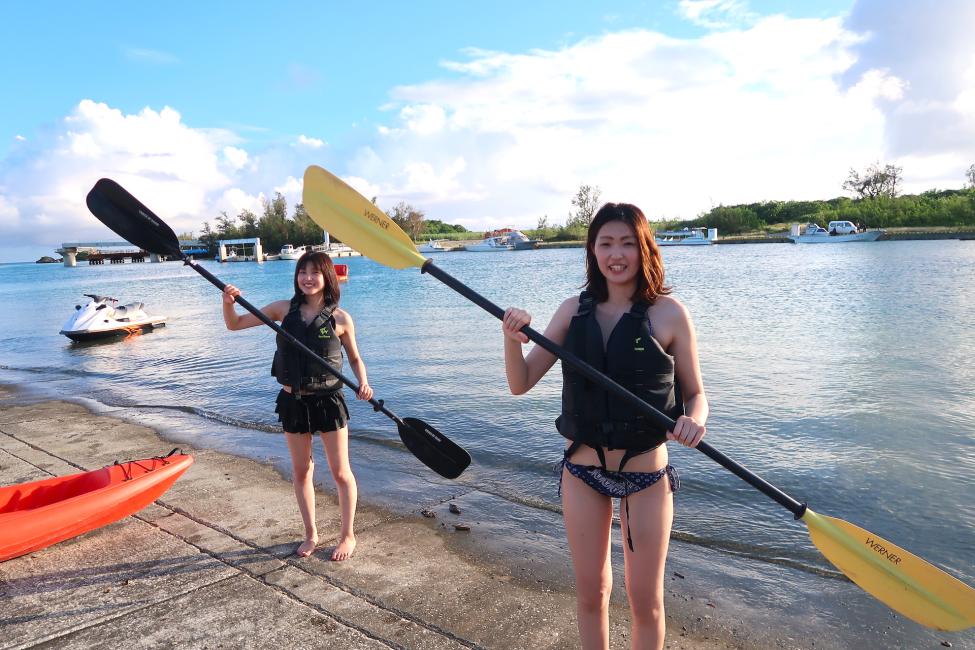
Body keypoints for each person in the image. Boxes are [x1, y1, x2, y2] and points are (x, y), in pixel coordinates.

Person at [501, 203, 708, 650]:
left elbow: (696, 393)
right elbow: (521, 383)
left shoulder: (670, 314)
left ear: (644, 249)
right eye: (606, 243)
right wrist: (510, 339)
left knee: (645, 599)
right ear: (592, 251)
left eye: (627, 243)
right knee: (592, 592)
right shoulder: (572, 311)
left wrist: (695, 421)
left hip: (646, 473)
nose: (617, 254)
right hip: (583, 470)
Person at [222, 251, 373, 561]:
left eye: (314, 272)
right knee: (302, 471)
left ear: (327, 276)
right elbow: (235, 325)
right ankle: (311, 534)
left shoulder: (341, 318)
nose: (307, 277)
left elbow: (355, 359)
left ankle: (348, 535)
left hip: (329, 401)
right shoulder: (281, 309)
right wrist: (228, 302)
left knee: (340, 471)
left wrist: (363, 383)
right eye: (302, 271)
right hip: (292, 400)